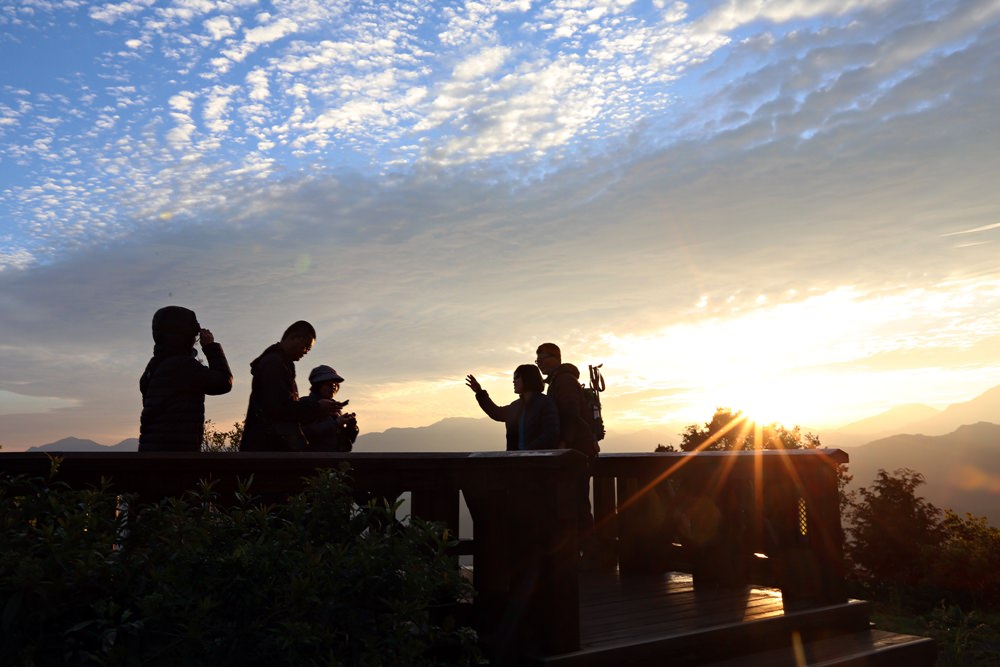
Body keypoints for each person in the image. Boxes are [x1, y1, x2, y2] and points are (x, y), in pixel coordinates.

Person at [138, 305, 233, 452]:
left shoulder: (154, 365)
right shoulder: (182, 366)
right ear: (184, 335)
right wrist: (211, 348)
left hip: (151, 453)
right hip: (177, 457)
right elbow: (223, 382)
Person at [239, 321, 342, 452]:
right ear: (294, 338)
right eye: (306, 347)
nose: (305, 352)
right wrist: (318, 407)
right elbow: (280, 408)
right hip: (269, 450)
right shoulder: (274, 364)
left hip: (269, 447)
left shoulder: (279, 364)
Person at [535, 342, 597, 535]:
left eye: (542, 358)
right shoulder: (558, 381)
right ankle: (584, 553)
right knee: (575, 502)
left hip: (575, 452)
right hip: (575, 450)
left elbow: (571, 414)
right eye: (537, 360)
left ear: (555, 358)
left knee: (576, 503)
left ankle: (587, 552)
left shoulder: (564, 381)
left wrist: (564, 445)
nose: (539, 363)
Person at [466, 365, 559, 451]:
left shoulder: (545, 403)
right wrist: (479, 392)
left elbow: (550, 435)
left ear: (528, 378)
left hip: (537, 463)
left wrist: (527, 452)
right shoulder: (515, 406)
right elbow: (496, 413)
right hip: (516, 461)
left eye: (517, 377)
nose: (513, 381)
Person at [301, 365, 359, 452]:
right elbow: (305, 433)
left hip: (335, 460)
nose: (333, 387)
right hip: (314, 460)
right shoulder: (306, 404)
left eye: (335, 384)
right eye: (329, 384)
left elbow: (346, 440)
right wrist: (336, 423)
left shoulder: (335, 407)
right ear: (317, 385)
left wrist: (351, 427)